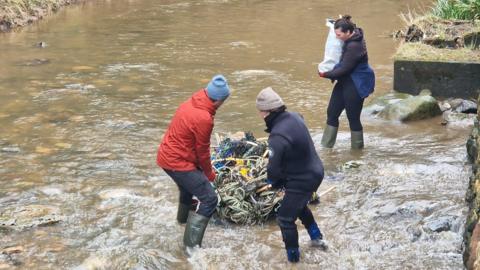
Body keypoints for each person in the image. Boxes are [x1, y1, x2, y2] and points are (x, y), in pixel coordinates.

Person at [156, 74, 230, 250]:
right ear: (219, 100)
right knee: (210, 199)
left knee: (188, 189)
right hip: (178, 162)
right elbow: (202, 151)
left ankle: (181, 222)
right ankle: (191, 248)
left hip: (165, 157)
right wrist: (209, 174)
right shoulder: (204, 118)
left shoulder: (190, 102)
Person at [256, 87, 327, 263]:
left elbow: (273, 171)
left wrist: (275, 183)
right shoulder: (295, 116)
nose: (261, 116)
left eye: (261, 112)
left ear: (267, 112)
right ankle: (317, 239)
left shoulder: (277, 136)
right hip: (315, 170)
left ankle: (293, 260)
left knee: (285, 219)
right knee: (298, 205)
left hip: (302, 179)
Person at [318, 15, 375, 149]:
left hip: (356, 83)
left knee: (353, 118)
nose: (337, 37)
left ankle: (357, 152)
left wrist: (325, 74)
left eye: (339, 35)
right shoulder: (351, 35)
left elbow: (344, 68)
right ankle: (326, 147)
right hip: (345, 81)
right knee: (332, 113)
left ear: (348, 32)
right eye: (336, 34)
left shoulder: (355, 46)